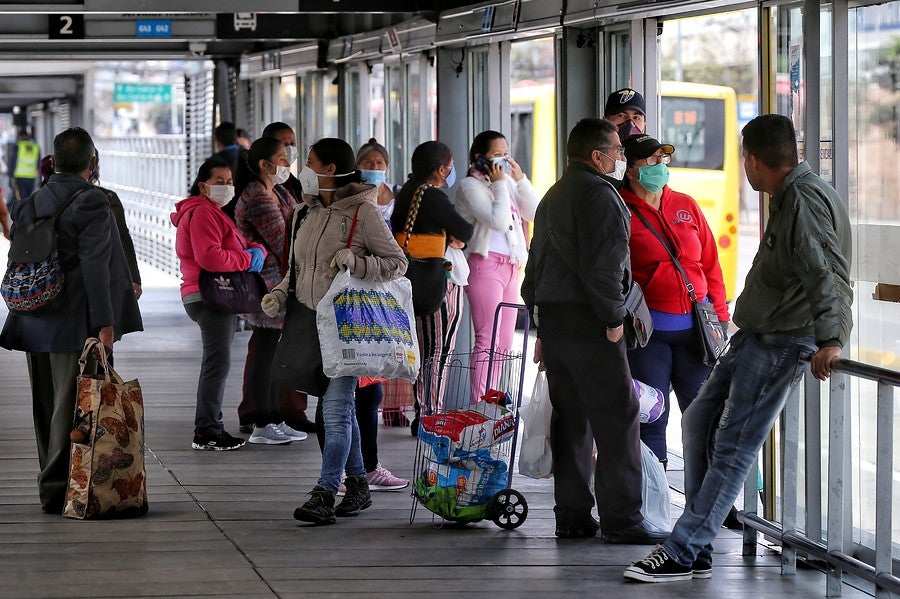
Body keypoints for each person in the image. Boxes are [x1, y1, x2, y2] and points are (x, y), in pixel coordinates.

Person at [625, 114, 853, 583]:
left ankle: (685, 549)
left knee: (734, 445)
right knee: (698, 420)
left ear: (751, 158)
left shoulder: (803, 202)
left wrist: (831, 338)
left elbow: (826, 273)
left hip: (782, 340)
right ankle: (698, 543)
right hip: (755, 335)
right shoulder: (788, 196)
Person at [521, 118, 667, 544]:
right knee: (618, 416)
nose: (624, 159)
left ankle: (572, 515)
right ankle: (623, 518)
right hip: (591, 322)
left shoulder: (552, 195)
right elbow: (604, 270)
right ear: (598, 156)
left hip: (555, 319)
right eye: (619, 152)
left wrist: (541, 324)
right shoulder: (602, 197)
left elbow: (534, 270)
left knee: (571, 420)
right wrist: (612, 321)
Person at [261, 138, 408, 525]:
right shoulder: (302, 214)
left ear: (328, 170)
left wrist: (358, 263)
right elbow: (297, 268)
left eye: (308, 162)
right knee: (331, 407)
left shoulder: (365, 211)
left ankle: (326, 490)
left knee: (336, 409)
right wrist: (279, 293)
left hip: (346, 328)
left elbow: (397, 262)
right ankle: (358, 484)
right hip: (308, 322)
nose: (301, 168)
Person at [0, 126, 142, 513]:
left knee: (45, 406)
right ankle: (61, 487)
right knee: (72, 404)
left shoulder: (30, 201)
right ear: (92, 163)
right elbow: (97, 267)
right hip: (72, 321)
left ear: (55, 161)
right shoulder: (92, 201)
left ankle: (52, 483)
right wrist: (106, 324)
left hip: (33, 316)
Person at [619, 133, 730, 465]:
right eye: (650, 161)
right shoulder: (621, 209)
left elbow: (710, 263)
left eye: (662, 160)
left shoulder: (686, 205)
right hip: (647, 334)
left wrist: (721, 317)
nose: (659, 167)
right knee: (652, 418)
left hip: (696, 333)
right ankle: (653, 506)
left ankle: (713, 507)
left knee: (703, 420)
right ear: (630, 169)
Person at [171, 156, 266, 451]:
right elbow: (210, 256)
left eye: (229, 182)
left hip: (205, 293)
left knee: (217, 363)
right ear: (203, 185)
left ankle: (209, 426)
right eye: (219, 182)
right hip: (209, 294)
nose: (226, 187)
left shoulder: (213, 212)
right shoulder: (203, 213)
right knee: (217, 364)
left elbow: (235, 244)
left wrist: (255, 249)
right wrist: (248, 260)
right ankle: (207, 430)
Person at [389, 141, 474, 434]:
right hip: (436, 282)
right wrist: (453, 234)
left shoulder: (407, 193)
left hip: (415, 280)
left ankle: (423, 411)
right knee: (438, 350)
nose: (451, 171)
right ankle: (431, 416)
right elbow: (465, 230)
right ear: (441, 169)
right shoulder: (433, 196)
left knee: (424, 349)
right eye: (449, 165)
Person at [454, 130, 540, 403]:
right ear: (480, 158)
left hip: (511, 267)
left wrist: (520, 180)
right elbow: (499, 221)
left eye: (506, 152)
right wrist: (501, 185)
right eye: (496, 154)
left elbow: (536, 212)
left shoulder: (506, 182)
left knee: (503, 343)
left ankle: (492, 400)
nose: (503, 158)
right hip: (485, 265)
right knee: (486, 339)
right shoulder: (470, 187)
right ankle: (480, 405)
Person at [233, 136, 308, 445]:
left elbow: (297, 221)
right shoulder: (258, 198)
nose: (286, 162)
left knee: (273, 351)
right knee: (266, 353)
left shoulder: (275, 191)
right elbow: (283, 239)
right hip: (267, 286)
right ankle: (262, 421)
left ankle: (273, 416)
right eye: (280, 157)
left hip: (278, 283)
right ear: (263, 164)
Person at [90, 150, 143, 300]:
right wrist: (134, 279)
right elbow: (122, 239)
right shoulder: (107, 199)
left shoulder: (41, 199)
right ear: (94, 166)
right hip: (103, 282)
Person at [10, 128, 40, 203]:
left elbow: (13, 161)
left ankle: (22, 214)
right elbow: (38, 163)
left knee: (20, 199)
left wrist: (10, 176)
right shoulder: (35, 147)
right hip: (31, 177)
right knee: (28, 197)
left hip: (20, 177)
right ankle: (27, 213)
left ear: (20, 137)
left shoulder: (18, 146)